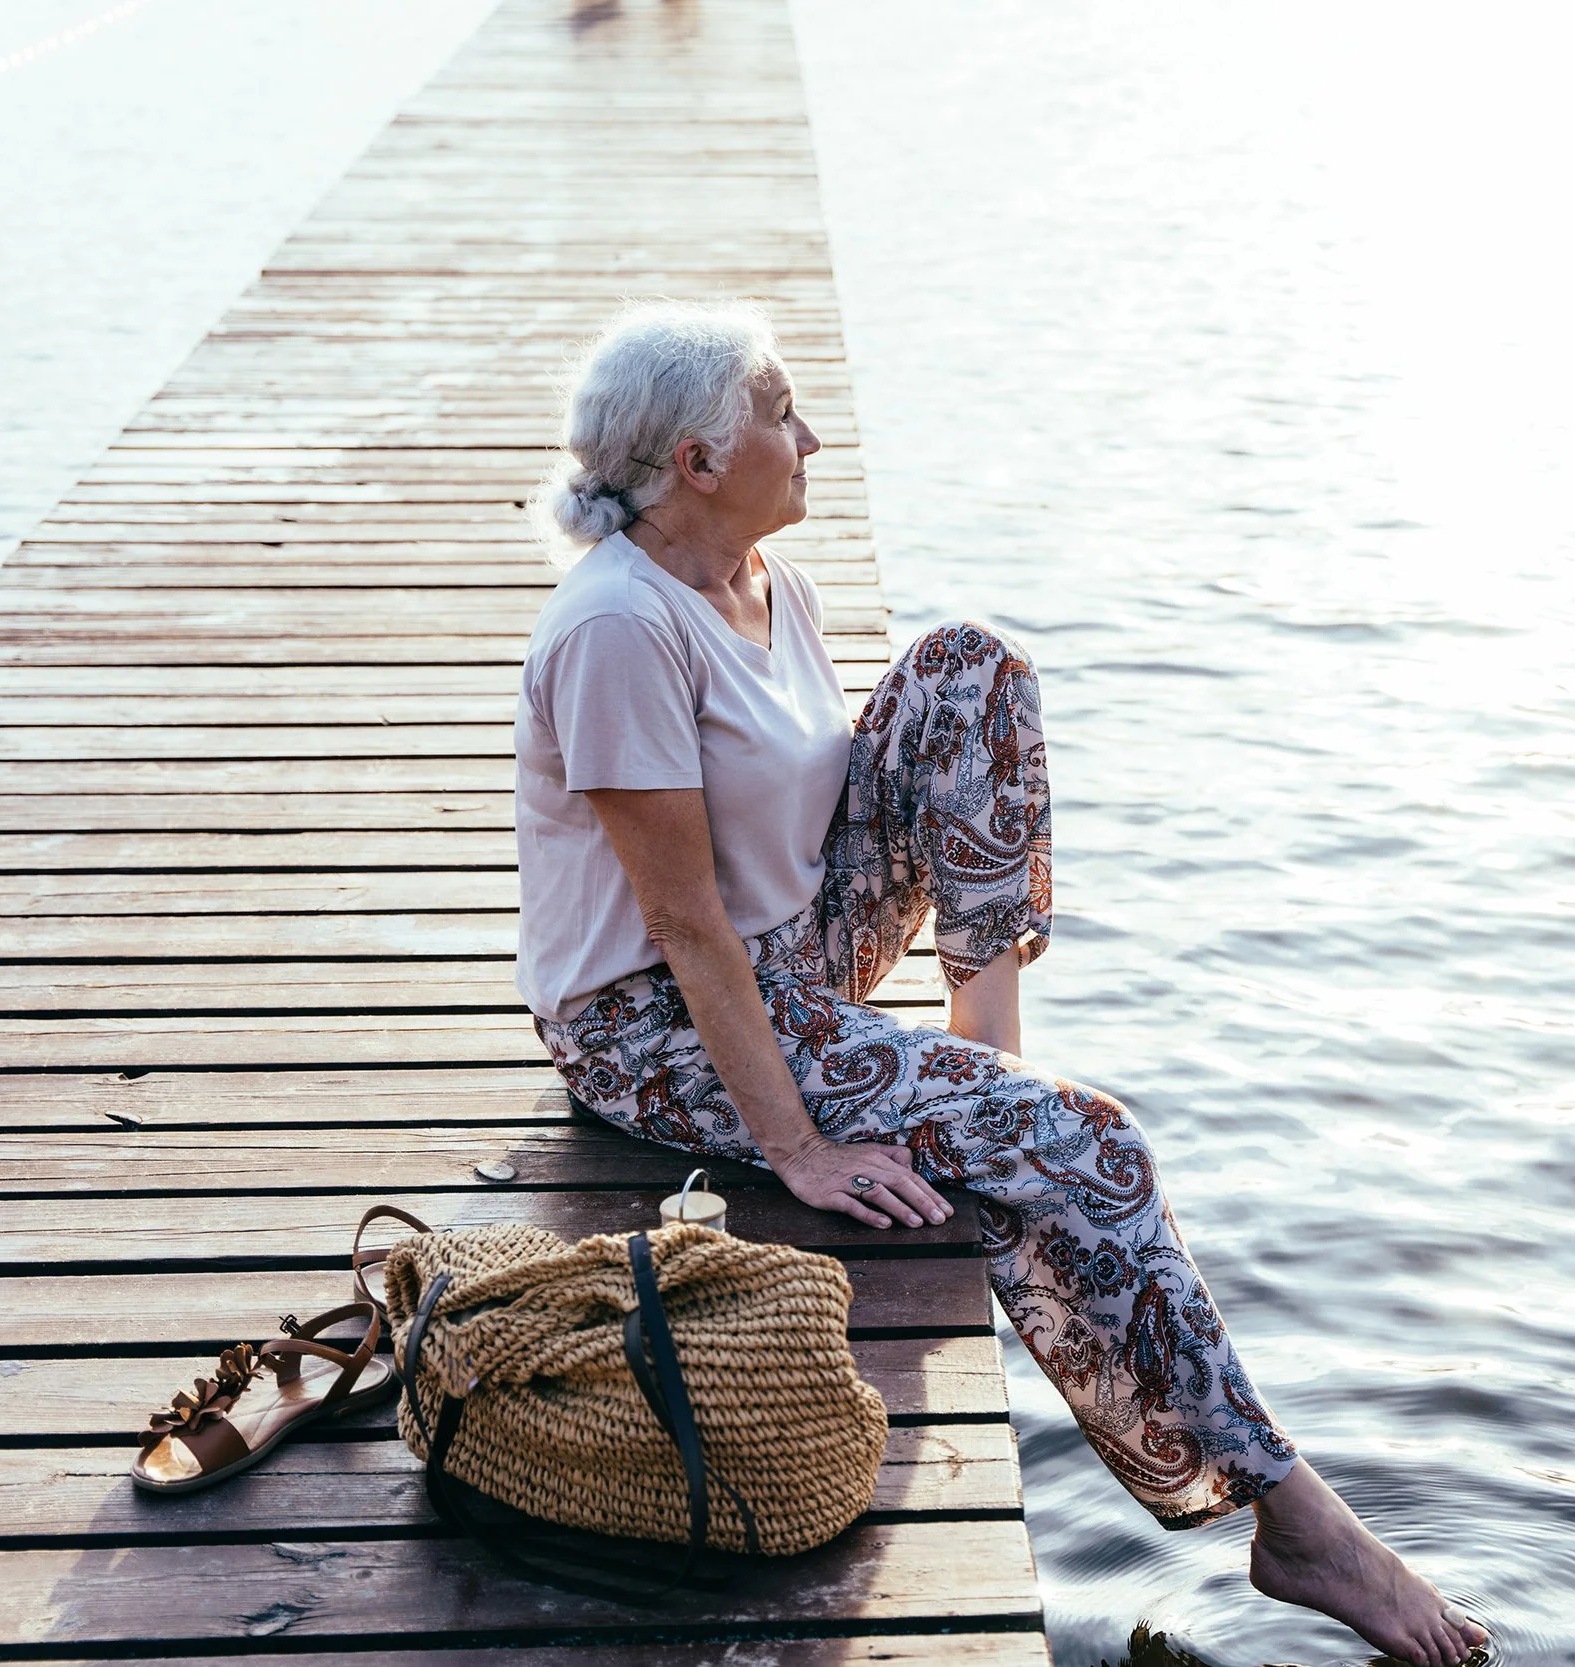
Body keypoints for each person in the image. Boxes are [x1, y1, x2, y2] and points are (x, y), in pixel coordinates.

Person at [512, 300, 1488, 1667]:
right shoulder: (618, 630)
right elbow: (681, 923)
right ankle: (1296, 1519)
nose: (809, 434)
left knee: (971, 667)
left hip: (788, 955)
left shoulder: (761, 580)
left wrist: (947, 1075)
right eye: (780, 414)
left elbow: (802, 811)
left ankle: (985, 1061)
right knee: (1092, 1146)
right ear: (695, 463)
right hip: (651, 1022)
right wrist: (798, 1147)